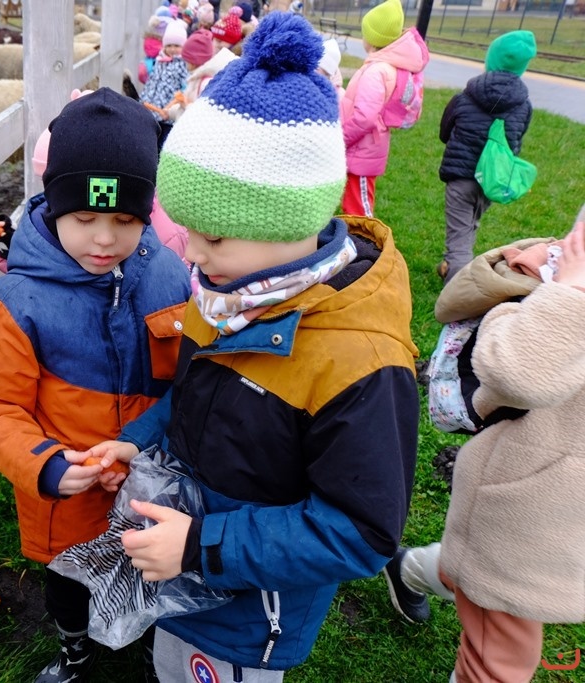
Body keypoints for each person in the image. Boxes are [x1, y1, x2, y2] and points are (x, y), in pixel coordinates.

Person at [75, 14, 420, 681]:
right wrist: (139, 441)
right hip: (186, 566)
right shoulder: (228, 295)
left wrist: (200, 546)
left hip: (250, 614)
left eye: (213, 236)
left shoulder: (358, 362)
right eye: (187, 229)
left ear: (288, 222)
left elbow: (362, 529)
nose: (192, 254)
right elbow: (197, 394)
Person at [0, 87, 191, 683]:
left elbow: (190, 377)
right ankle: (76, 651)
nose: (104, 239)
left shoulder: (168, 274)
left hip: (149, 479)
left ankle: (146, 638)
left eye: (125, 220)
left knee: (147, 563)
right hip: (68, 490)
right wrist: (47, 464)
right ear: (55, 205)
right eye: (84, 219)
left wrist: (145, 442)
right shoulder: (21, 299)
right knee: (68, 579)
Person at [382, 213, 585, 683]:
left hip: (565, 506)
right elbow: (517, 373)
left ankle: (411, 568)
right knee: (498, 663)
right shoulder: (557, 277)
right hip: (529, 504)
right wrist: (570, 292)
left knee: (472, 570)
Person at [435, 31, 536, 282]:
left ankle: (457, 289)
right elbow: (516, 141)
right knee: (470, 224)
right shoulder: (524, 105)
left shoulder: (464, 97)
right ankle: (451, 265)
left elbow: (445, 132)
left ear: (490, 60)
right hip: (493, 179)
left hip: (462, 178)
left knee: (459, 237)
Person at [340, 0, 428, 216]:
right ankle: (353, 234)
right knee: (352, 204)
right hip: (363, 147)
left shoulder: (376, 71)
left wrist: (341, 138)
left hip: (362, 148)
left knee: (359, 209)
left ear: (372, 38)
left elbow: (364, 118)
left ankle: (366, 237)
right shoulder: (382, 67)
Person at [141, 19, 191, 125]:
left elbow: (185, 88)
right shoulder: (159, 60)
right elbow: (151, 82)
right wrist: (143, 99)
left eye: (176, 46)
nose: (172, 49)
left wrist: (171, 107)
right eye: (169, 46)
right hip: (151, 109)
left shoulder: (183, 64)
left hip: (168, 112)